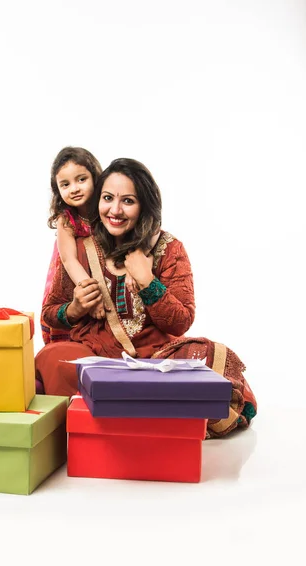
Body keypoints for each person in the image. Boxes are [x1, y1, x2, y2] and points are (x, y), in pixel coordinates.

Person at [36, 158, 257, 437]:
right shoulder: (82, 249)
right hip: (96, 357)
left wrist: (147, 281)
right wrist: (75, 308)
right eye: (107, 198)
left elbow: (181, 323)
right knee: (55, 357)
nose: (114, 211)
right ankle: (139, 417)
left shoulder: (169, 248)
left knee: (207, 356)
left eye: (128, 201)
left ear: (144, 205)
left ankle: (120, 415)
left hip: (155, 359)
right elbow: (50, 312)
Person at [41, 147, 143, 344]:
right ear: (57, 189)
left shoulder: (109, 209)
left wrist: (133, 269)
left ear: (96, 178)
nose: (74, 188)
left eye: (81, 179)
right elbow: (69, 261)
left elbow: (134, 237)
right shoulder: (67, 220)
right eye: (65, 184)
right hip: (76, 274)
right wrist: (95, 298)